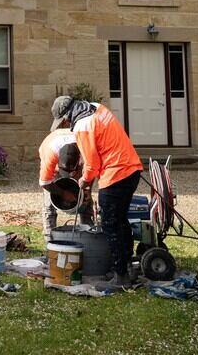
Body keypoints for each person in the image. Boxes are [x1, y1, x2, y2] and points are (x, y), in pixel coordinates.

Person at [51, 95, 143, 288]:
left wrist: (83, 182)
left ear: (67, 116)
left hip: (115, 174)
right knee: (120, 220)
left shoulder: (82, 125)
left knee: (110, 224)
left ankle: (120, 277)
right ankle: (128, 267)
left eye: (64, 121)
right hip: (132, 169)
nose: (65, 125)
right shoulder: (96, 107)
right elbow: (100, 145)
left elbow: (92, 165)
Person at [37, 126, 94, 241]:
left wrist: (87, 189)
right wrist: (63, 193)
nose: (69, 174)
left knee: (86, 200)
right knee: (49, 205)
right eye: (65, 171)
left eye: (71, 171)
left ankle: (89, 233)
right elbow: (44, 182)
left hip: (80, 162)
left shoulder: (86, 148)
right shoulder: (49, 155)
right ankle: (50, 240)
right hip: (53, 159)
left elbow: (92, 170)